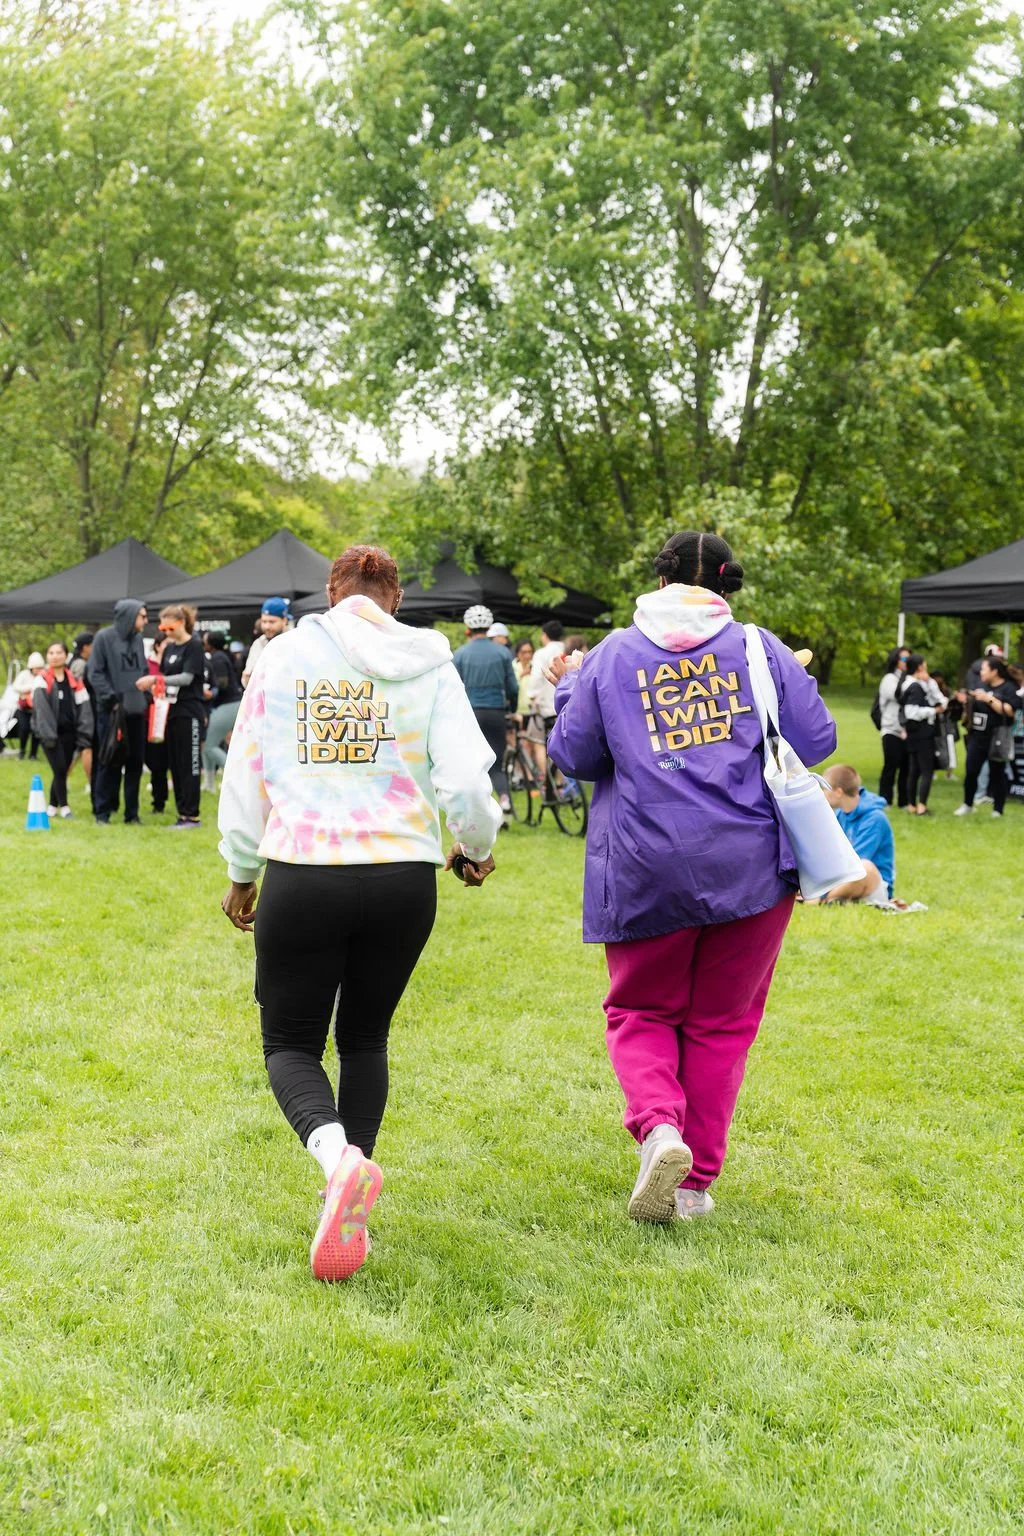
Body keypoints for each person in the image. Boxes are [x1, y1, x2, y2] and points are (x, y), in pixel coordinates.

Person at [217, 544, 501, 1281]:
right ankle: (353, 1182)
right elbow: (467, 776)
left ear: (328, 591)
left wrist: (241, 869)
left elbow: (247, 770)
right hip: (403, 875)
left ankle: (336, 1158)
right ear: (396, 597)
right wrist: (473, 844)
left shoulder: (281, 659)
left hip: (306, 869)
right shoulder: (431, 663)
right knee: (366, 1037)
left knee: (288, 1043)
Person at [546, 529, 836, 1223]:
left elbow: (575, 754)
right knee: (722, 1024)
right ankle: (693, 1184)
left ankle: (660, 1129)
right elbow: (817, 739)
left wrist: (568, 693)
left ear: (659, 576)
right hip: (753, 866)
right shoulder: (758, 649)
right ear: (728, 584)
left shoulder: (613, 653)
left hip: (648, 861)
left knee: (643, 1009)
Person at [136, 604, 206, 829]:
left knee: (190, 764)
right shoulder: (169, 649)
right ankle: (182, 813)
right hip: (171, 711)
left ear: (182, 623)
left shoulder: (194, 646)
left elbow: (187, 678)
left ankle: (192, 814)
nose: (166, 632)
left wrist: (156, 681)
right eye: (163, 628)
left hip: (190, 711)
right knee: (175, 764)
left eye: (170, 627)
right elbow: (167, 676)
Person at [451, 604, 519, 818]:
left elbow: (453, 688)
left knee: (473, 763)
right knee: (496, 763)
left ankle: (475, 810)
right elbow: (513, 688)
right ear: (489, 627)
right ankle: (505, 801)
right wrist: (512, 709)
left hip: (471, 714)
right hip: (496, 712)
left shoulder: (460, 654)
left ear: (467, 629)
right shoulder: (502, 653)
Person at [87, 600, 149, 824]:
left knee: (135, 762)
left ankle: (131, 814)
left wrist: (145, 697)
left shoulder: (139, 640)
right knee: (109, 760)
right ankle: (102, 811)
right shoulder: (104, 638)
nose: (146, 620)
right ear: (130, 616)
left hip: (136, 711)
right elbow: (95, 673)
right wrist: (112, 700)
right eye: (142, 616)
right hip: (112, 712)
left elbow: (142, 670)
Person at [31, 641, 94, 819]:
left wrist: (84, 734)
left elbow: (84, 708)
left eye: (59, 652)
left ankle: (52, 806)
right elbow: (42, 712)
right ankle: (65, 807)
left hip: (70, 734)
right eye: (51, 653)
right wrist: (49, 736)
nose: (55, 656)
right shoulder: (42, 680)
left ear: (66, 655)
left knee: (62, 770)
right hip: (50, 735)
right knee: (59, 769)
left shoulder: (74, 681)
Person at [821, 766, 896, 905]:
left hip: (873, 886)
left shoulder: (875, 819)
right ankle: (831, 898)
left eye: (825, 789)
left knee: (865, 868)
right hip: (841, 878)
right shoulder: (840, 814)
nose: (823, 794)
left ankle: (822, 899)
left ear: (838, 792)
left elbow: (855, 864)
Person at [955, 655, 1017, 818]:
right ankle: (968, 803)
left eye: (984, 669)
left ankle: (998, 809)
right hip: (977, 735)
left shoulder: (1008, 688)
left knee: (997, 773)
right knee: (971, 770)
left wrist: (988, 698)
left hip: (997, 736)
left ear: (994, 671)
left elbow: (1010, 711)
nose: (980, 672)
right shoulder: (980, 685)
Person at [900, 654, 944, 816]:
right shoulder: (916, 687)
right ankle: (921, 806)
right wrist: (934, 710)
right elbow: (912, 712)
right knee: (926, 770)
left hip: (911, 733)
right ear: (920, 667)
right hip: (922, 733)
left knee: (914, 769)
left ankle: (912, 804)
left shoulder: (906, 684)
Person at [201, 630, 243, 792]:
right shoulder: (221, 656)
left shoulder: (218, 658)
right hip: (228, 704)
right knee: (207, 744)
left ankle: (236, 778)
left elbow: (222, 684)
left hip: (228, 704)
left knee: (209, 746)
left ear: (211, 643)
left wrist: (211, 692)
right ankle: (209, 784)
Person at [525, 619, 565, 777]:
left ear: (545, 635)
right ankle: (560, 784)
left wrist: (531, 696)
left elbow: (536, 678)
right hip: (569, 704)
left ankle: (546, 780)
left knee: (539, 742)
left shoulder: (541, 654)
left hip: (547, 707)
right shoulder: (569, 649)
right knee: (563, 744)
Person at [877, 647, 910, 807]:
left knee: (906, 767)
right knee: (891, 765)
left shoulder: (910, 679)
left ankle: (904, 802)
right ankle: (885, 799)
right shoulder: (889, 679)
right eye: (904, 659)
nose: (907, 663)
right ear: (895, 660)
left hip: (908, 730)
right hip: (891, 729)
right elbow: (900, 696)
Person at [68, 632, 97, 806]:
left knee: (78, 751)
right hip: (83, 712)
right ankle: (90, 783)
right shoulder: (79, 664)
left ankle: (63, 779)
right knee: (86, 747)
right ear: (85, 647)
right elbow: (78, 687)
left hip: (81, 712)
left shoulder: (79, 662)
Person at [144, 635, 170, 815]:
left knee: (164, 764)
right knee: (153, 762)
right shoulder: (146, 666)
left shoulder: (175, 665)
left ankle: (160, 802)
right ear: (158, 645)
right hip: (149, 719)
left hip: (170, 720)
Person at [242, 597, 291, 686]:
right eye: (264, 621)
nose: (267, 626)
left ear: (284, 620)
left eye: (272, 622)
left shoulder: (295, 641)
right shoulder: (258, 643)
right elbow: (247, 678)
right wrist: (247, 679)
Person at [13, 652, 45, 760]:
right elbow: (16, 687)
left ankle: (33, 754)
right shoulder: (24, 675)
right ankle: (22, 751)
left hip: (37, 709)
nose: (37, 670)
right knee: (24, 729)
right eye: (35, 668)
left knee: (36, 731)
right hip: (23, 708)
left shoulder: (43, 676)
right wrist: (31, 687)